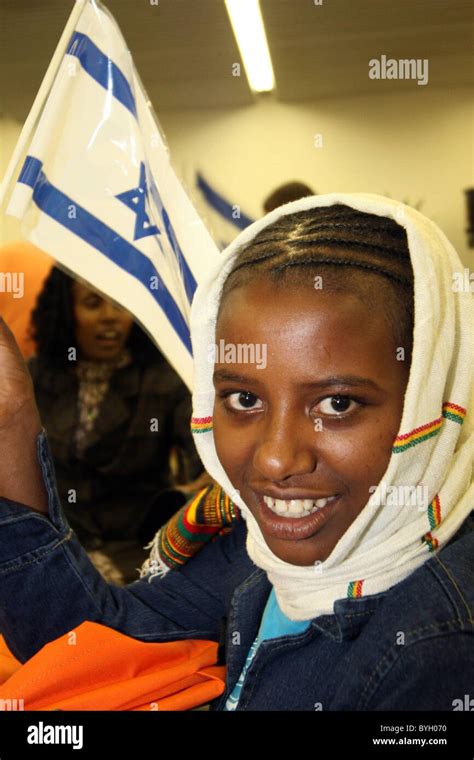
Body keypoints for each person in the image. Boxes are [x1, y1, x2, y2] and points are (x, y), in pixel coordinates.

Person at [0, 194, 472, 711]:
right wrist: (11, 420)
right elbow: (97, 645)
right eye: (244, 399)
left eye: (337, 403)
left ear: (433, 389)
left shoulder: (436, 647)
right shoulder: (258, 545)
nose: (274, 459)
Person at [26, 267, 205, 583]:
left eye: (119, 304)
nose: (110, 317)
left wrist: (193, 493)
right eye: (93, 304)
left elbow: (203, 458)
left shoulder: (163, 381)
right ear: (67, 312)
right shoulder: (37, 376)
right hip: (53, 544)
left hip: (136, 550)